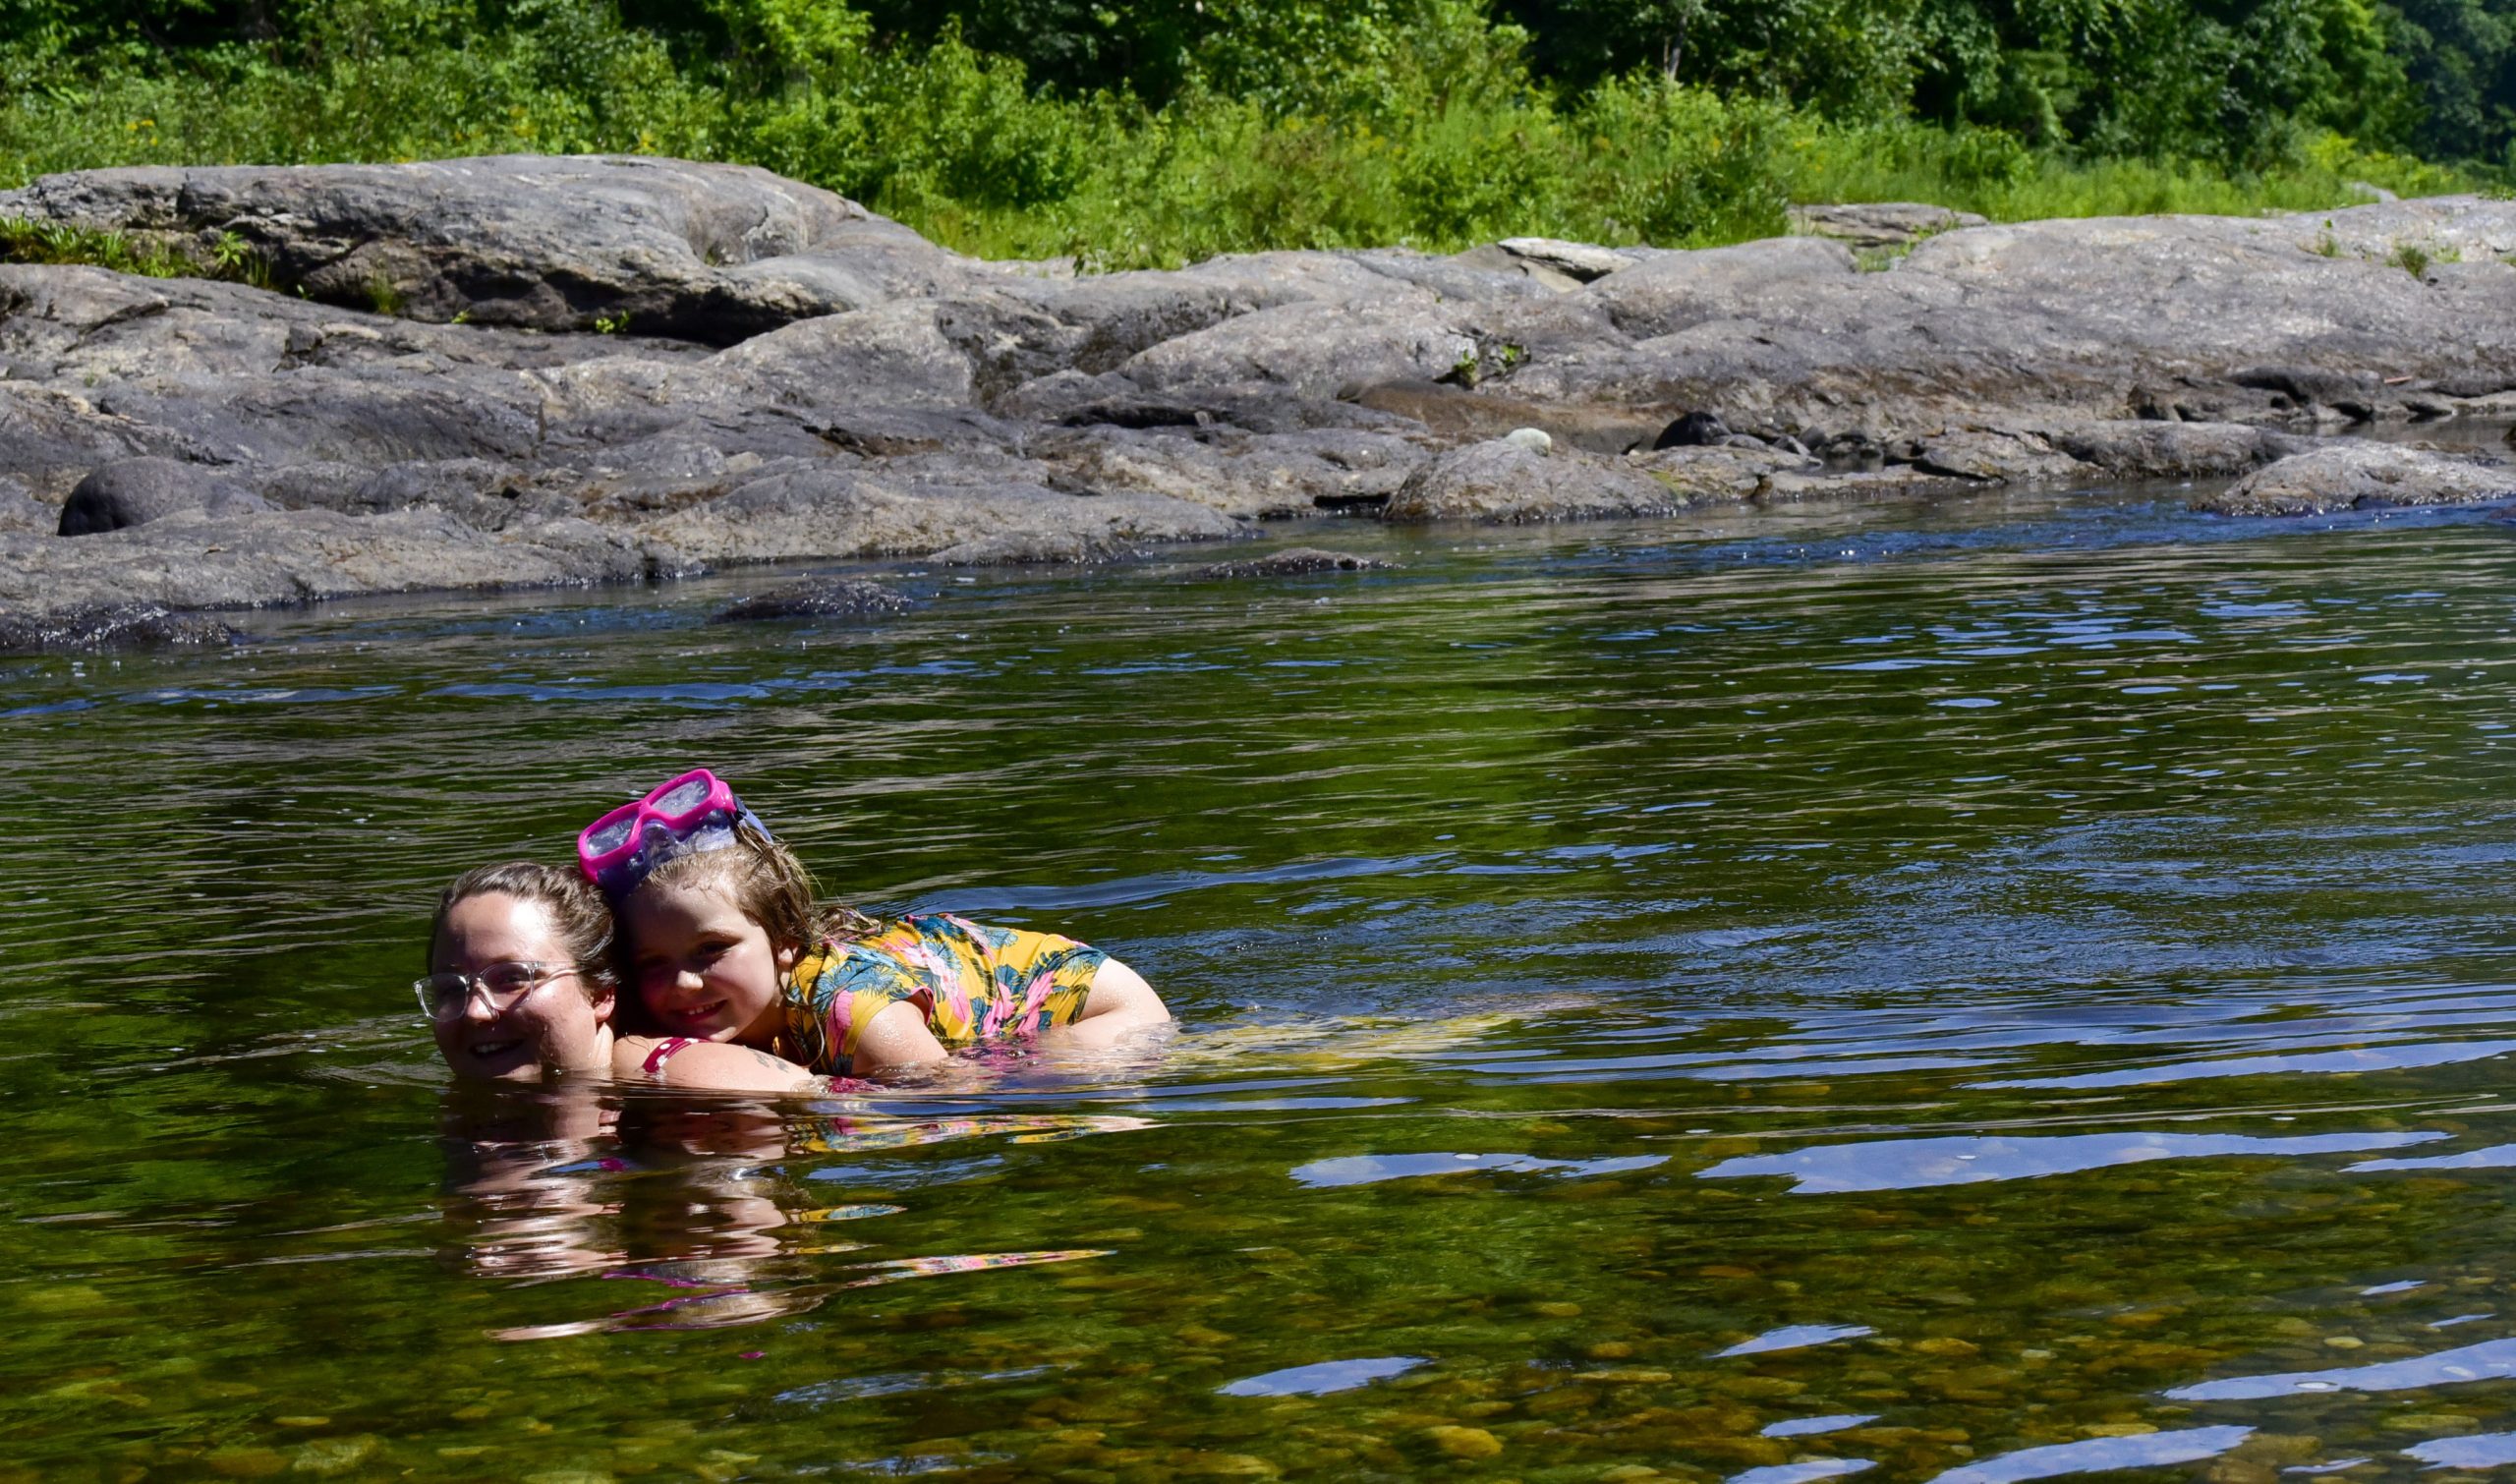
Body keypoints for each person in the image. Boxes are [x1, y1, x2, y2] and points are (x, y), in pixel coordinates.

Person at [578, 771, 1172, 1079]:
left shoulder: (853, 1011)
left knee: (1019, 1078)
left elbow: (945, 1101)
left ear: (784, 944)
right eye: (652, 963)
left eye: (711, 949)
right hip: (941, 971)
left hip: (1097, 1006)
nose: (681, 983)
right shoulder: (659, 1010)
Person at [422, 860, 830, 1093]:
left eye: (512, 978)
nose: (474, 1012)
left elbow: (861, 1109)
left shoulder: (688, 1079)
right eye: (449, 988)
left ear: (601, 992)